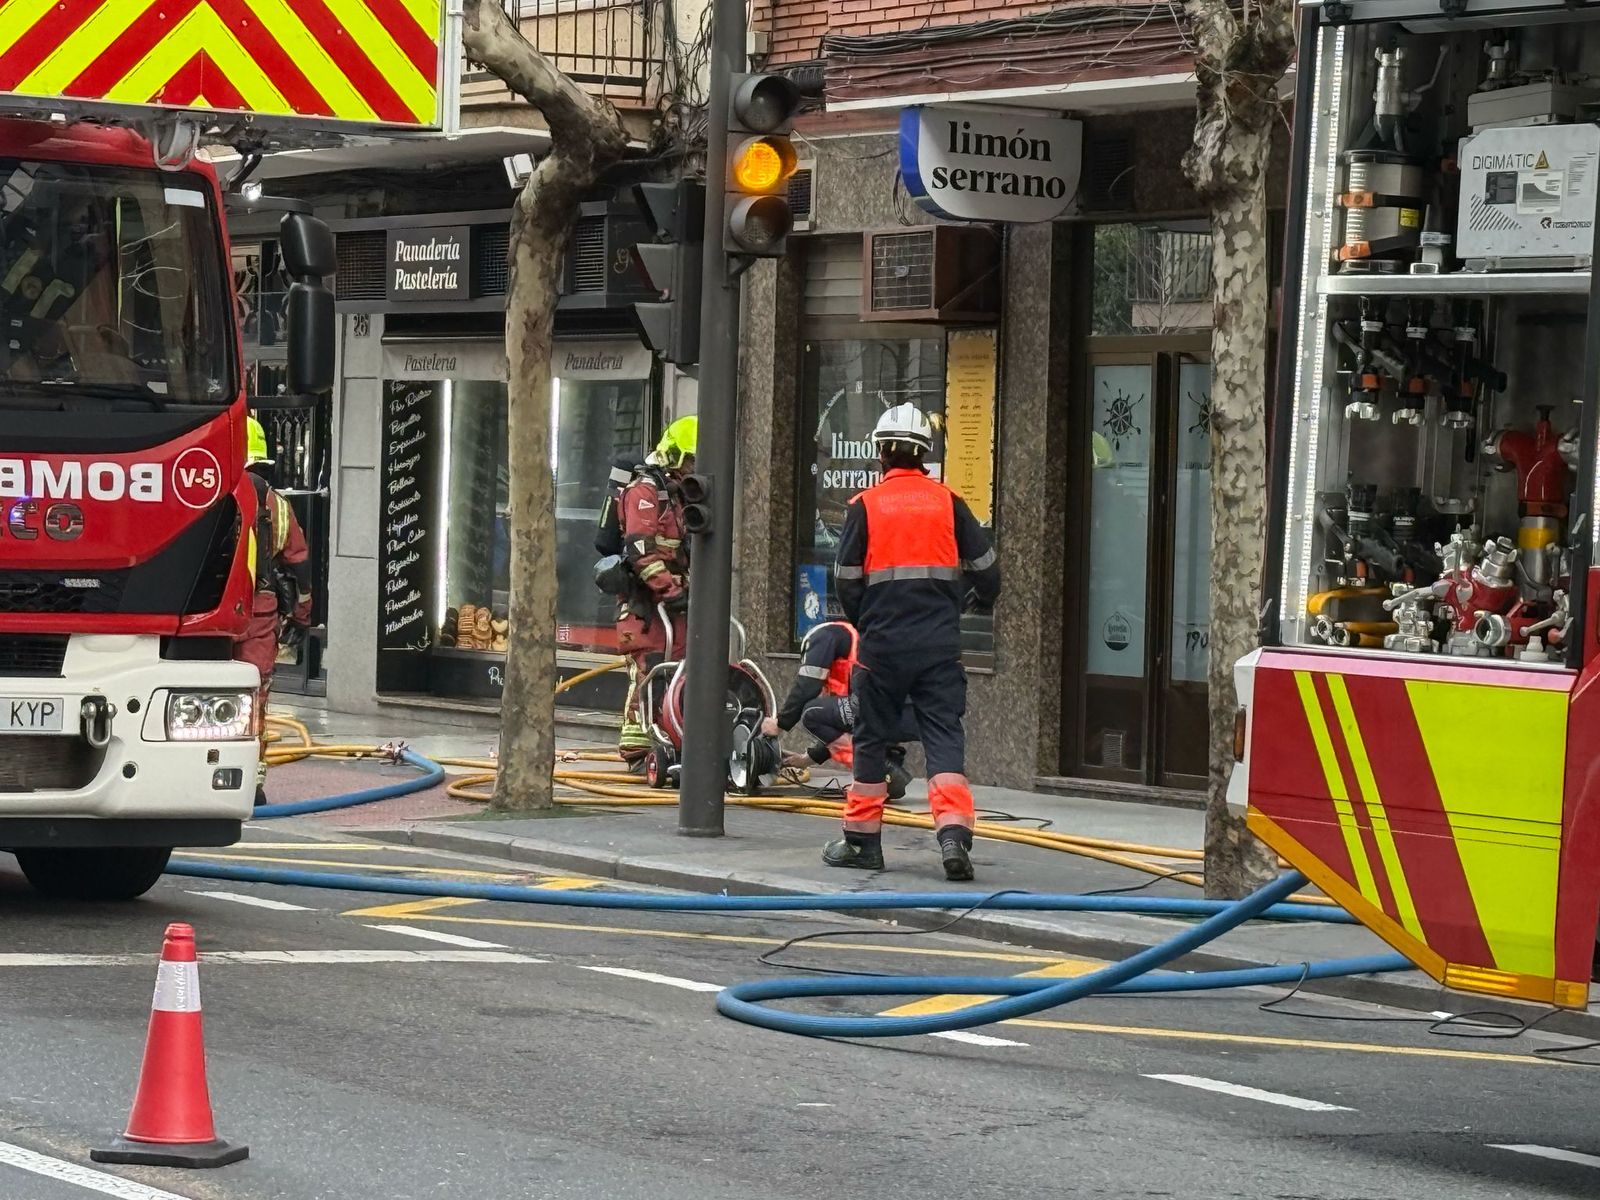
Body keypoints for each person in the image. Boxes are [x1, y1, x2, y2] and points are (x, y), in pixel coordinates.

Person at [824, 403, 1000, 880]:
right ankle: (952, 838)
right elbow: (989, 574)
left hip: (882, 649)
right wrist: (966, 604)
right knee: (944, 738)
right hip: (939, 647)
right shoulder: (949, 502)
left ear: (881, 452)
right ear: (925, 454)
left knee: (871, 737)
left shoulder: (864, 506)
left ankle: (862, 843)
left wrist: (869, 622)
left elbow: (845, 581)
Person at [236, 417, 312, 807]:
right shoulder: (277, 506)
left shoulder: (204, 494)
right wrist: (303, 617)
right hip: (258, 615)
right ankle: (252, 781)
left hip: (204, 618)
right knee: (254, 696)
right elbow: (299, 566)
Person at [615, 416, 697, 769]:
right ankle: (637, 749)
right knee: (649, 669)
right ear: (675, 455)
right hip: (647, 605)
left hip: (671, 603)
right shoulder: (644, 491)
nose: (695, 467)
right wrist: (669, 587)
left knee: (675, 671)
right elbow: (640, 549)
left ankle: (667, 739)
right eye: (691, 459)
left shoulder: (678, 495)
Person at [762, 619, 913, 799]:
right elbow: (840, 727)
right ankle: (888, 776)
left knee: (811, 712)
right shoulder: (854, 644)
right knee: (838, 713)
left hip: (887, 709)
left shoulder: (822, 636)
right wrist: (807, 759)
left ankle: (877, 770)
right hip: (908, 716)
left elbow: (807, 685)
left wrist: (780, 723)